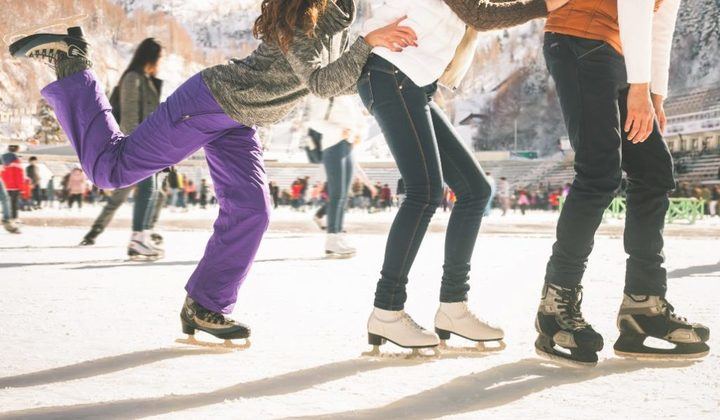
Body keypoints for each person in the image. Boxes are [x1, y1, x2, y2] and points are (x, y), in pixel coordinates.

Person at [10, 0, 417, 345]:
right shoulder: (304, 14)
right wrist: (367, 45)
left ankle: (205, 305)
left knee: (252, 211)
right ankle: (72, 61)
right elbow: (321, 81)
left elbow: (330, 79)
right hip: (209, 102)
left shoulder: (338, 12)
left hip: (240, 119)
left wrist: (379, 58)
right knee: (110, 169)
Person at [359, 0, 565, 354]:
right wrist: (544, 5)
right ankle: (387, 309)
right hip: (391, 73)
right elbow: (481, 14)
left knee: (475, 190)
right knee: (424, 191)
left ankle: (453, 307)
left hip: (413, 83)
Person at [535, 0, 709, 366]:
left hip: (618, 53)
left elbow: (660, 21)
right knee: (599, 173)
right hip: (578, 39)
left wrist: (653, 93)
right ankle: (555, 305)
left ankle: (642, 306)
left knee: (654, 172)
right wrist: (639, 89)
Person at [80, 38, 165, 261]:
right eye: (159, 57)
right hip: (138, 146)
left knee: (154, 191)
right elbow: (129, 118)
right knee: (145, 191)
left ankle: (143, 236)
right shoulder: (132, 78)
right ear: (151, 57)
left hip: (150, 146)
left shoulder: (146, 80)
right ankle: (137, 240)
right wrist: (139, 147)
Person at [305, 95, 367, 257]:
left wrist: (359, 132)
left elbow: (360, 120)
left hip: (349, 145)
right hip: (333, 145)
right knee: (337, 193)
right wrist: (340, 131)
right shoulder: (325, 94)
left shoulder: (348, 97)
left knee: (344, 194)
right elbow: (314, 121)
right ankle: (332, 239)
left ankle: (338, 235)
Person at [1, 150, 24, 223]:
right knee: (14, 203)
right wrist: (21, 188)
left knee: (7, 202)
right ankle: (14, 217)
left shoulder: (3, 163)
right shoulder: (17, 164)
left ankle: (7, 217)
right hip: (15, 188)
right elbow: (19, 177)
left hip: (5, 187)